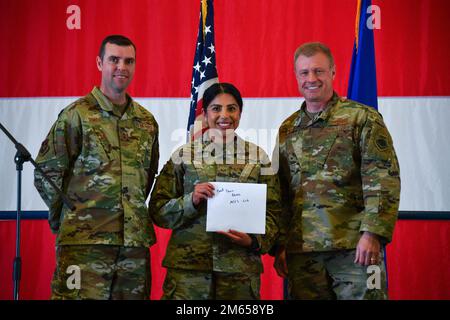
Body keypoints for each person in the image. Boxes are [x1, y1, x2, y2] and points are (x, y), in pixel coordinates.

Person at [34, 35, 159, 299]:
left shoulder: (147, 122)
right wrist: (72, 216)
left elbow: (146, 178)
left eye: (128, 61)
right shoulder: (76, 115)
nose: (121, 67)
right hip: (84, 245)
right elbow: (47, 173)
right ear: (100, 62)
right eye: (114, 59)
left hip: (133, 248)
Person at [273, 42, 400, 299]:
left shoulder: (362, 118)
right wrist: (280, 245)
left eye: (318, 71)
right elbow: (282, 192)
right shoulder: (287, 129)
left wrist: (372, 233)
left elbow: (383, 178)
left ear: (333, 72)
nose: (311, 79)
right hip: (303, 253)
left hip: (354, 249)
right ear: (296, 76)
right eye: (304, 72)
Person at [149, 82, 280, 300]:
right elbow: (158, 209)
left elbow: (275, 212)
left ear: (240, 112)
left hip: (239, 273)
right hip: (188, 275)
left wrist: (254, 241)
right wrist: (190, 200)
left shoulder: (259, 158)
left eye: (232, 108)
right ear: (205, 113)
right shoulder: (183, 156)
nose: (224, 115)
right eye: (216, 108)